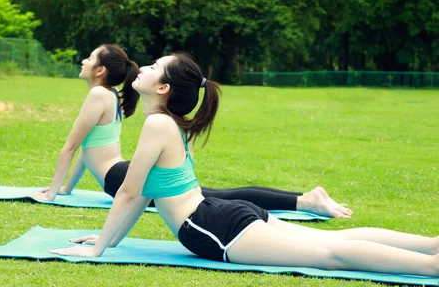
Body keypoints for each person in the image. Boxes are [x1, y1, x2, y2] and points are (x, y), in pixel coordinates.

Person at [51, 53, 439, 277]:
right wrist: (110, 240)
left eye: (154, 66)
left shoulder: (157, 123)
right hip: (220, 215)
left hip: (210, 227)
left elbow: (131, 192)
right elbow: (140, 195)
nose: (145, 68)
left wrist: (98, 250)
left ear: (163, 88)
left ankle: (431, 266)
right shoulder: (170, 124)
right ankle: (431, 246)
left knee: (330, 252)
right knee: (334, 240)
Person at [31, 45, 352, 218]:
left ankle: (305, 201)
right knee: (215, 194)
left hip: (118, 177)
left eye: (89, 58)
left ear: (100, 70)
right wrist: (66, 191)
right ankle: (304, 200)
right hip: (117, 172)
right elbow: (89, 152)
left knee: (215, 197)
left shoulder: (98, 95)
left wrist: (51, 192)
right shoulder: (109, 95)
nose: (84, 61)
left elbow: (72, 147)